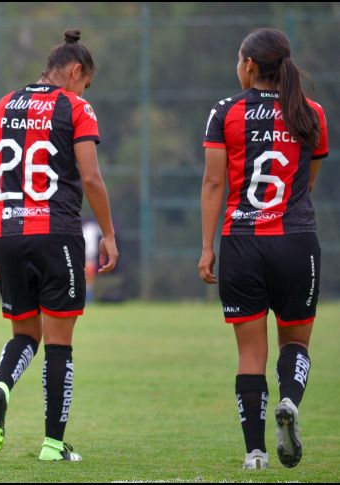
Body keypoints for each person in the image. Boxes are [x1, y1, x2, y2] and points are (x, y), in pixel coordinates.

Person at [0, 29, 118, 462]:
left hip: (8, 233)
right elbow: (90, 177)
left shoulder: (3, 105)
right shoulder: (76, 107)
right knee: (59, 343)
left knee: (24, 333)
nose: (84, 91)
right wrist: (109, 233)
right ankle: (53, 445)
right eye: (85, 83)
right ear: (75, 72)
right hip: (56, 234)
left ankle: (1, 386)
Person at [198, 28, 328, 470]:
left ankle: (255, 453)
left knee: (250, 354)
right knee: (295, 343)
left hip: (242, 244)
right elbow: (306, 185)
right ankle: (289, 400)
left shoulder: (225, 112)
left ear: (249, 65)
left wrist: (206, 248)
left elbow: (213, 182)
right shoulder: (311, 113)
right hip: (296, 242)